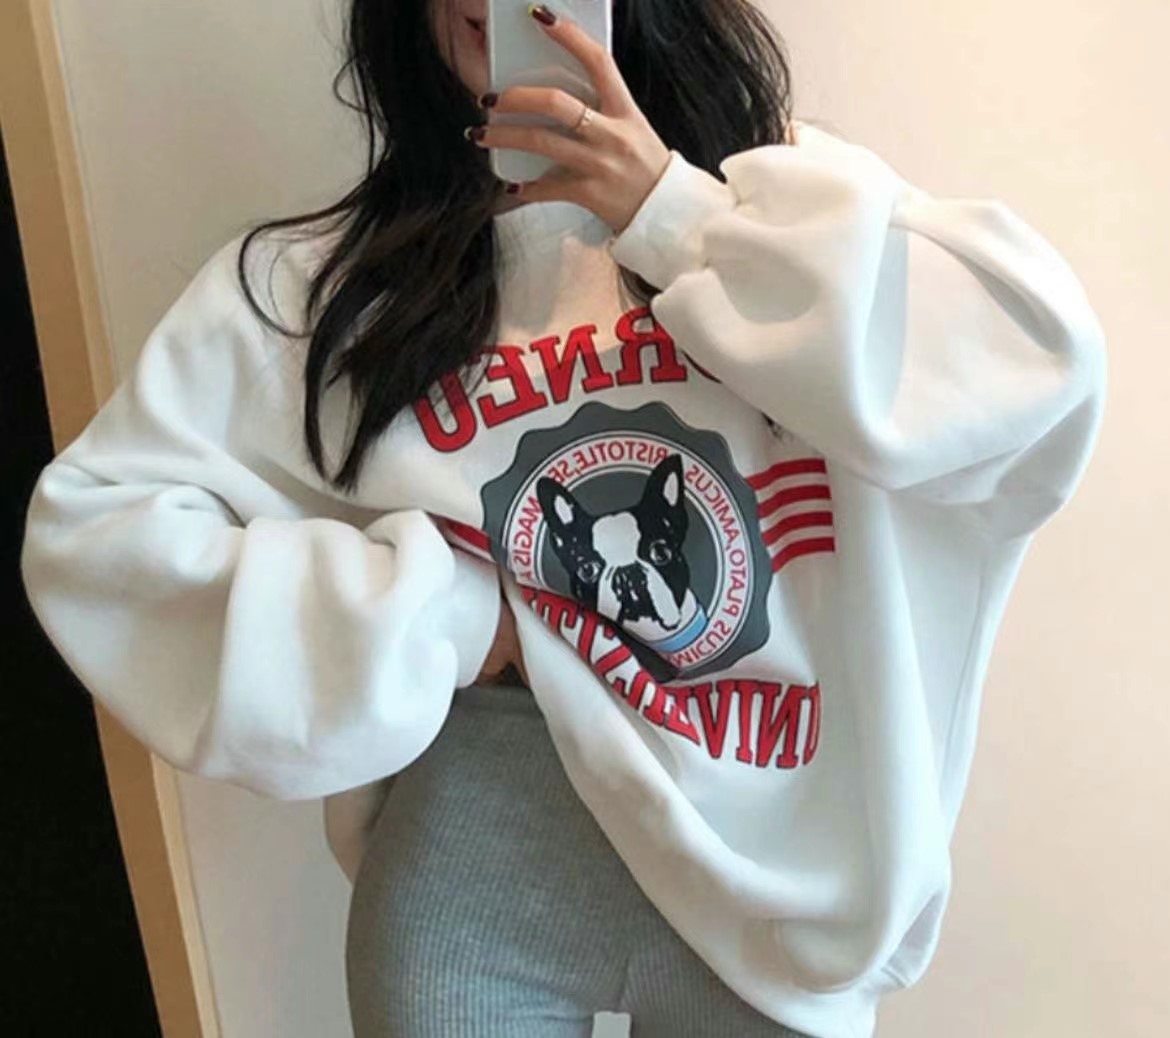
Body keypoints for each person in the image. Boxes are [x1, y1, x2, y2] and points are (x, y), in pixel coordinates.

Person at [19, 1, 1107, 1036]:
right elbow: (95, 534)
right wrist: (446, 612)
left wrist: (673, 215)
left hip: (784, 879)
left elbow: (1040, 375)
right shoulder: (337, 285)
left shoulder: (782, 211)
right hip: (479, 856)